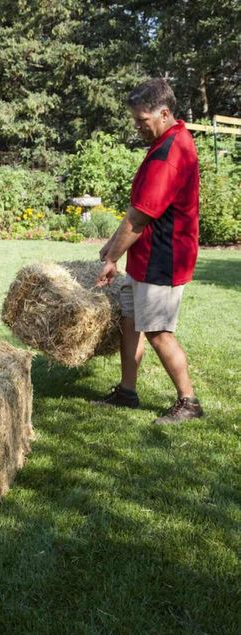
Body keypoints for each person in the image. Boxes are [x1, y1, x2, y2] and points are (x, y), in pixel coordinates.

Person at [94, 78, 203, 425]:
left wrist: (111, 258)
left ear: (164, 113)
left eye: (142, 120)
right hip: (145, 255)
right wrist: (112, 246)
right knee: (130, 322)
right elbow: (135, 209)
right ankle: (127, 391)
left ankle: (189, 401)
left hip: (164, 257)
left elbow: (140, 218)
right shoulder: (165, 142)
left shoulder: (170, 154)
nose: (138, 126)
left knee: (157, 332)